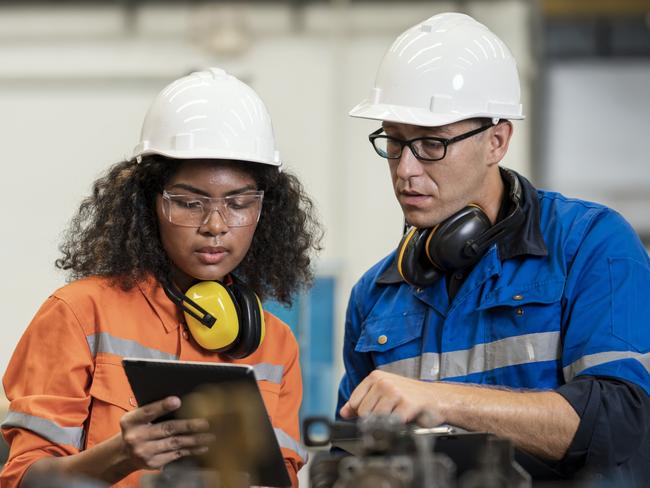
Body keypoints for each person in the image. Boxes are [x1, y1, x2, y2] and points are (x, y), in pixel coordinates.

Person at [336, 12, 650, 485]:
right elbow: (347, 456)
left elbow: (616, 421)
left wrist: (440, 399)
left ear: (497, 141)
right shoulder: (376, 294)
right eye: (394, 143)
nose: (405, 170)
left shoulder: (592, 244)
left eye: (431, 145)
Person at [1, 68, 322, 487]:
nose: (215, 225)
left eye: (239, 203)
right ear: (147, 205)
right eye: (189, 203)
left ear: (266, 211)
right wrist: (119, 456)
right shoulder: (79, 314)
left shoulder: (276, 345)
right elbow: (24, 479)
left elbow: (283, 479)